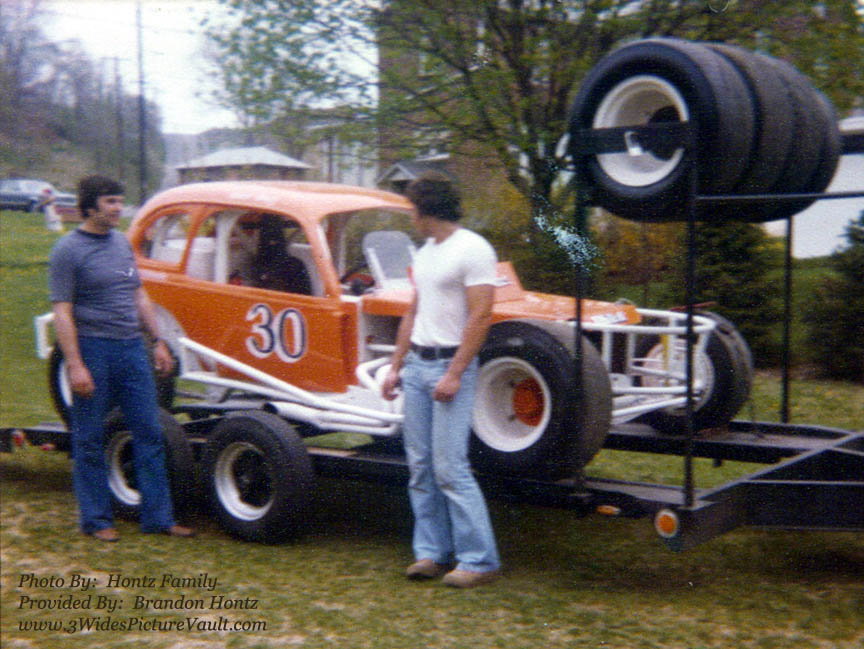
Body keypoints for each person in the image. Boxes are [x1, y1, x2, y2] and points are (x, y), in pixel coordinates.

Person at [49, 175, 194, 542]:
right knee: (89, 436)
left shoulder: (121, 244)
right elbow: (63, 311)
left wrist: (158, 341)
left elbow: (139, 295)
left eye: (119, 201)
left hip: (132, 348)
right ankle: (97, 520)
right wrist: (76, 364)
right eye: (111, 202)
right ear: (90, 206)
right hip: (93, 348)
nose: (118, 209)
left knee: (149, 432)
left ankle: (158, 518)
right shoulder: (67, 250)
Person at [382, 174, 500, 588]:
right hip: (417, 366)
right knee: (420, 467)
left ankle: (478, 560)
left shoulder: (474, 250)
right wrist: (396, 366)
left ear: (426, 209)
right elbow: (413, 311)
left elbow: (481, 316)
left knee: (450, 467)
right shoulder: (426, 252)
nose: (410, 216)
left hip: (453, 367)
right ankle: (431, 553)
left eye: (412, 208)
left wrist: (453, 373)